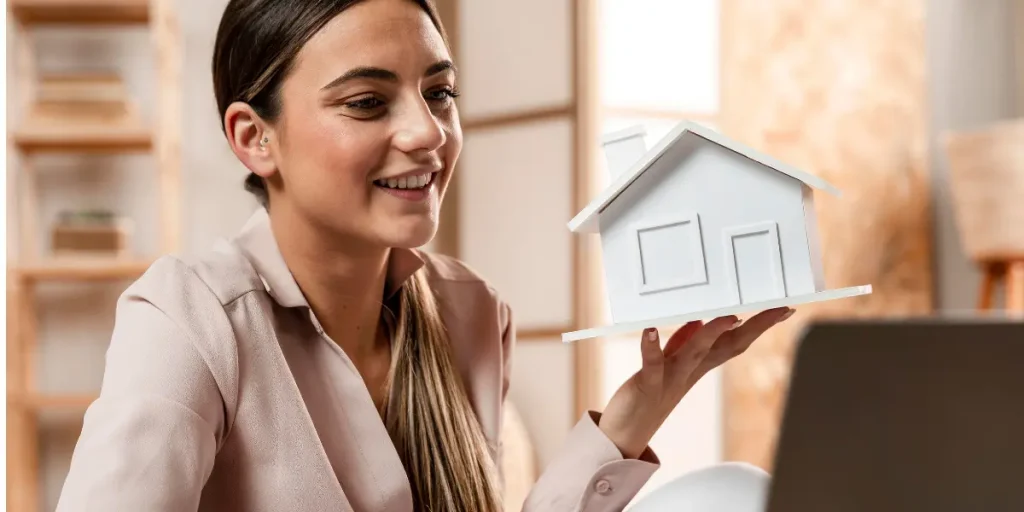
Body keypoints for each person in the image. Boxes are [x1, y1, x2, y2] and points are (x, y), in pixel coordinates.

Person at [55, 0, 794, 510]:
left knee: (733, 491)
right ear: (255, 137)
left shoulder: (470, 312)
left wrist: (633, 417)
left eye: (439, 93)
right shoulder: (188, 320)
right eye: (368, 103)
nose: (428, 132)